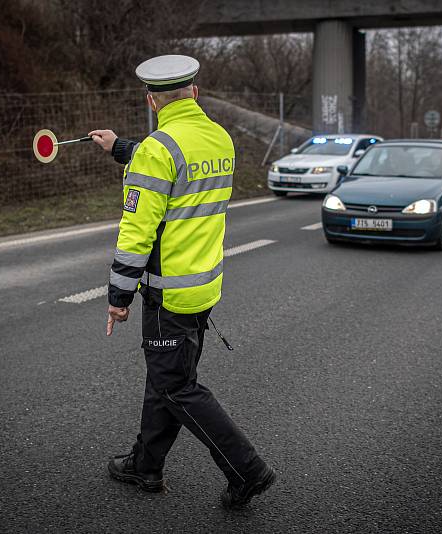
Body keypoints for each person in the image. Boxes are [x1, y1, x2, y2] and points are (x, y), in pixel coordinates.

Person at [88, 54, 275, 508]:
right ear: (194, 92)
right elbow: (176, 167)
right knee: (166, 378)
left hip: (168, 292)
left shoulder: (158, 149)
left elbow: (136, 234)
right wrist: (121, 148)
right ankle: (145, 466)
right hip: (204, 286)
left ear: (152, 101)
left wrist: (118, 295)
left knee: (175, 386)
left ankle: (247, 471)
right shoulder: (219, 138)